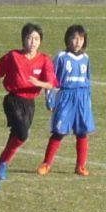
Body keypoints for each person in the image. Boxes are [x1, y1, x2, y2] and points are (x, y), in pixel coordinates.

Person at [0, 23, 57, 192]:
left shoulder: (44, 60)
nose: (33, 42)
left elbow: (51, 84)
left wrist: (38, 83)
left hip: (29, 104)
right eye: (30, 38)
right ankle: (2, 164)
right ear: (23, 39)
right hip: (13, 101)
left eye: (37, 39)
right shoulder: (13, 56)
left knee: (16, 139)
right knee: (23, 134)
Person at [37, 24, 94, 176]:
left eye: (81, 39)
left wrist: (88, 100)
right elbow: (51, 79)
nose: (77, 42)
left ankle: (80, 166)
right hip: (66, 97)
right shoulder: (61, 57)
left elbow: (88, 79)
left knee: (82, 132)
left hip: (81, 98)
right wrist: (49, 98)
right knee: (59, 132)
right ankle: (46, 164)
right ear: (68, 40)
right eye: (74, 38)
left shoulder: (85, 58)